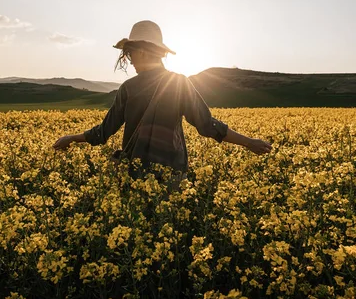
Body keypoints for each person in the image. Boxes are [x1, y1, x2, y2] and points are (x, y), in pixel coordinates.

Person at [53, 20, 272, 190]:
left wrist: (72, 138)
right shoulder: (179, 83)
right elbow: (207, 125)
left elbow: (103, 132)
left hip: (135, 174)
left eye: (129, 54)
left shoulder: (128, 88)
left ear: (140, 51)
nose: (129, 60)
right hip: (172, 174)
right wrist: (249, 142)